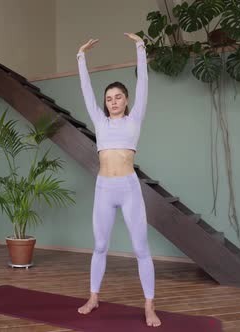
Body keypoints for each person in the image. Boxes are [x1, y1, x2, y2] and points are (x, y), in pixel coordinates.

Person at [75, 33, 161, 328]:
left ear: (126, 101)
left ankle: (149, 306)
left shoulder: (134, 119)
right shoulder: (99, 121)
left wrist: (140, 47)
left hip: (128, 188)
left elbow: (144, 84)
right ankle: (93, 296)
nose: (113, 102)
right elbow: (86, 90)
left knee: (141, 249)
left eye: (118, 97)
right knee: (99, 246)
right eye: (109, 98)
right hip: (103, 188)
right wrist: (81, 56)